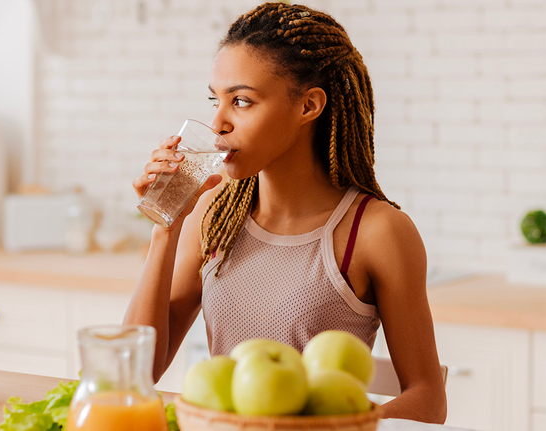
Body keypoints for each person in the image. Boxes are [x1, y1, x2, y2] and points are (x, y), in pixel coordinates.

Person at [124, 2, 447, 423]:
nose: (217, 121)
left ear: (308, 106)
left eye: (240, 101)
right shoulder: (212, 213)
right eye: (214, 99)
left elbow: (427, 398)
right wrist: (166, 225)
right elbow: (134, 374)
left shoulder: (376, 231)